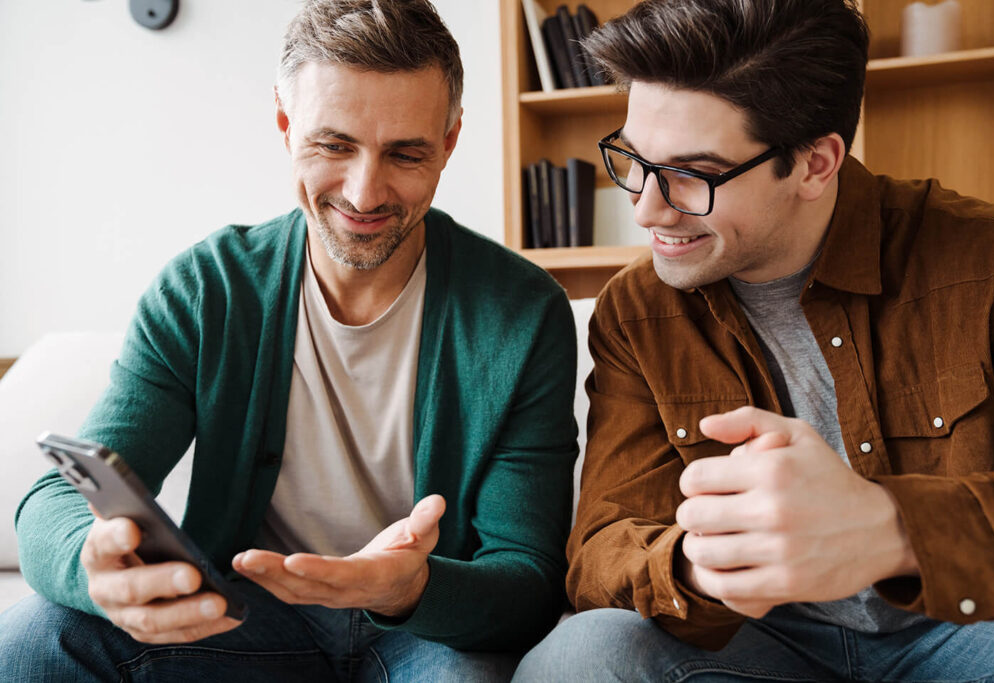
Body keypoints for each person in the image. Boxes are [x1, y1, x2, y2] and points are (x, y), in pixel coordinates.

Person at [0, 1, 578, 680]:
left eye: (405, 152)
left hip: (429, 632)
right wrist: (91, 563)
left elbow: (528, 580)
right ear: (284, 122)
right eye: (334, 144)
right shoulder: (207, 288)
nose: (364, 192)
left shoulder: (523, 312)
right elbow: (56, 497)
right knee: (37, 639)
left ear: (449, 141)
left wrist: (407, 588)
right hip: (247, 618)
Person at [513, 0, 994, 680]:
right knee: (582, 656)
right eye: (634, 159)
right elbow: (602, 547)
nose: (645, 207)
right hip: (761, 644)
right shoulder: (636, 310)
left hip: (973, 634)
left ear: (815, 164)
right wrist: (703, 564)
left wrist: (892, 529)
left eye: (692, 173)